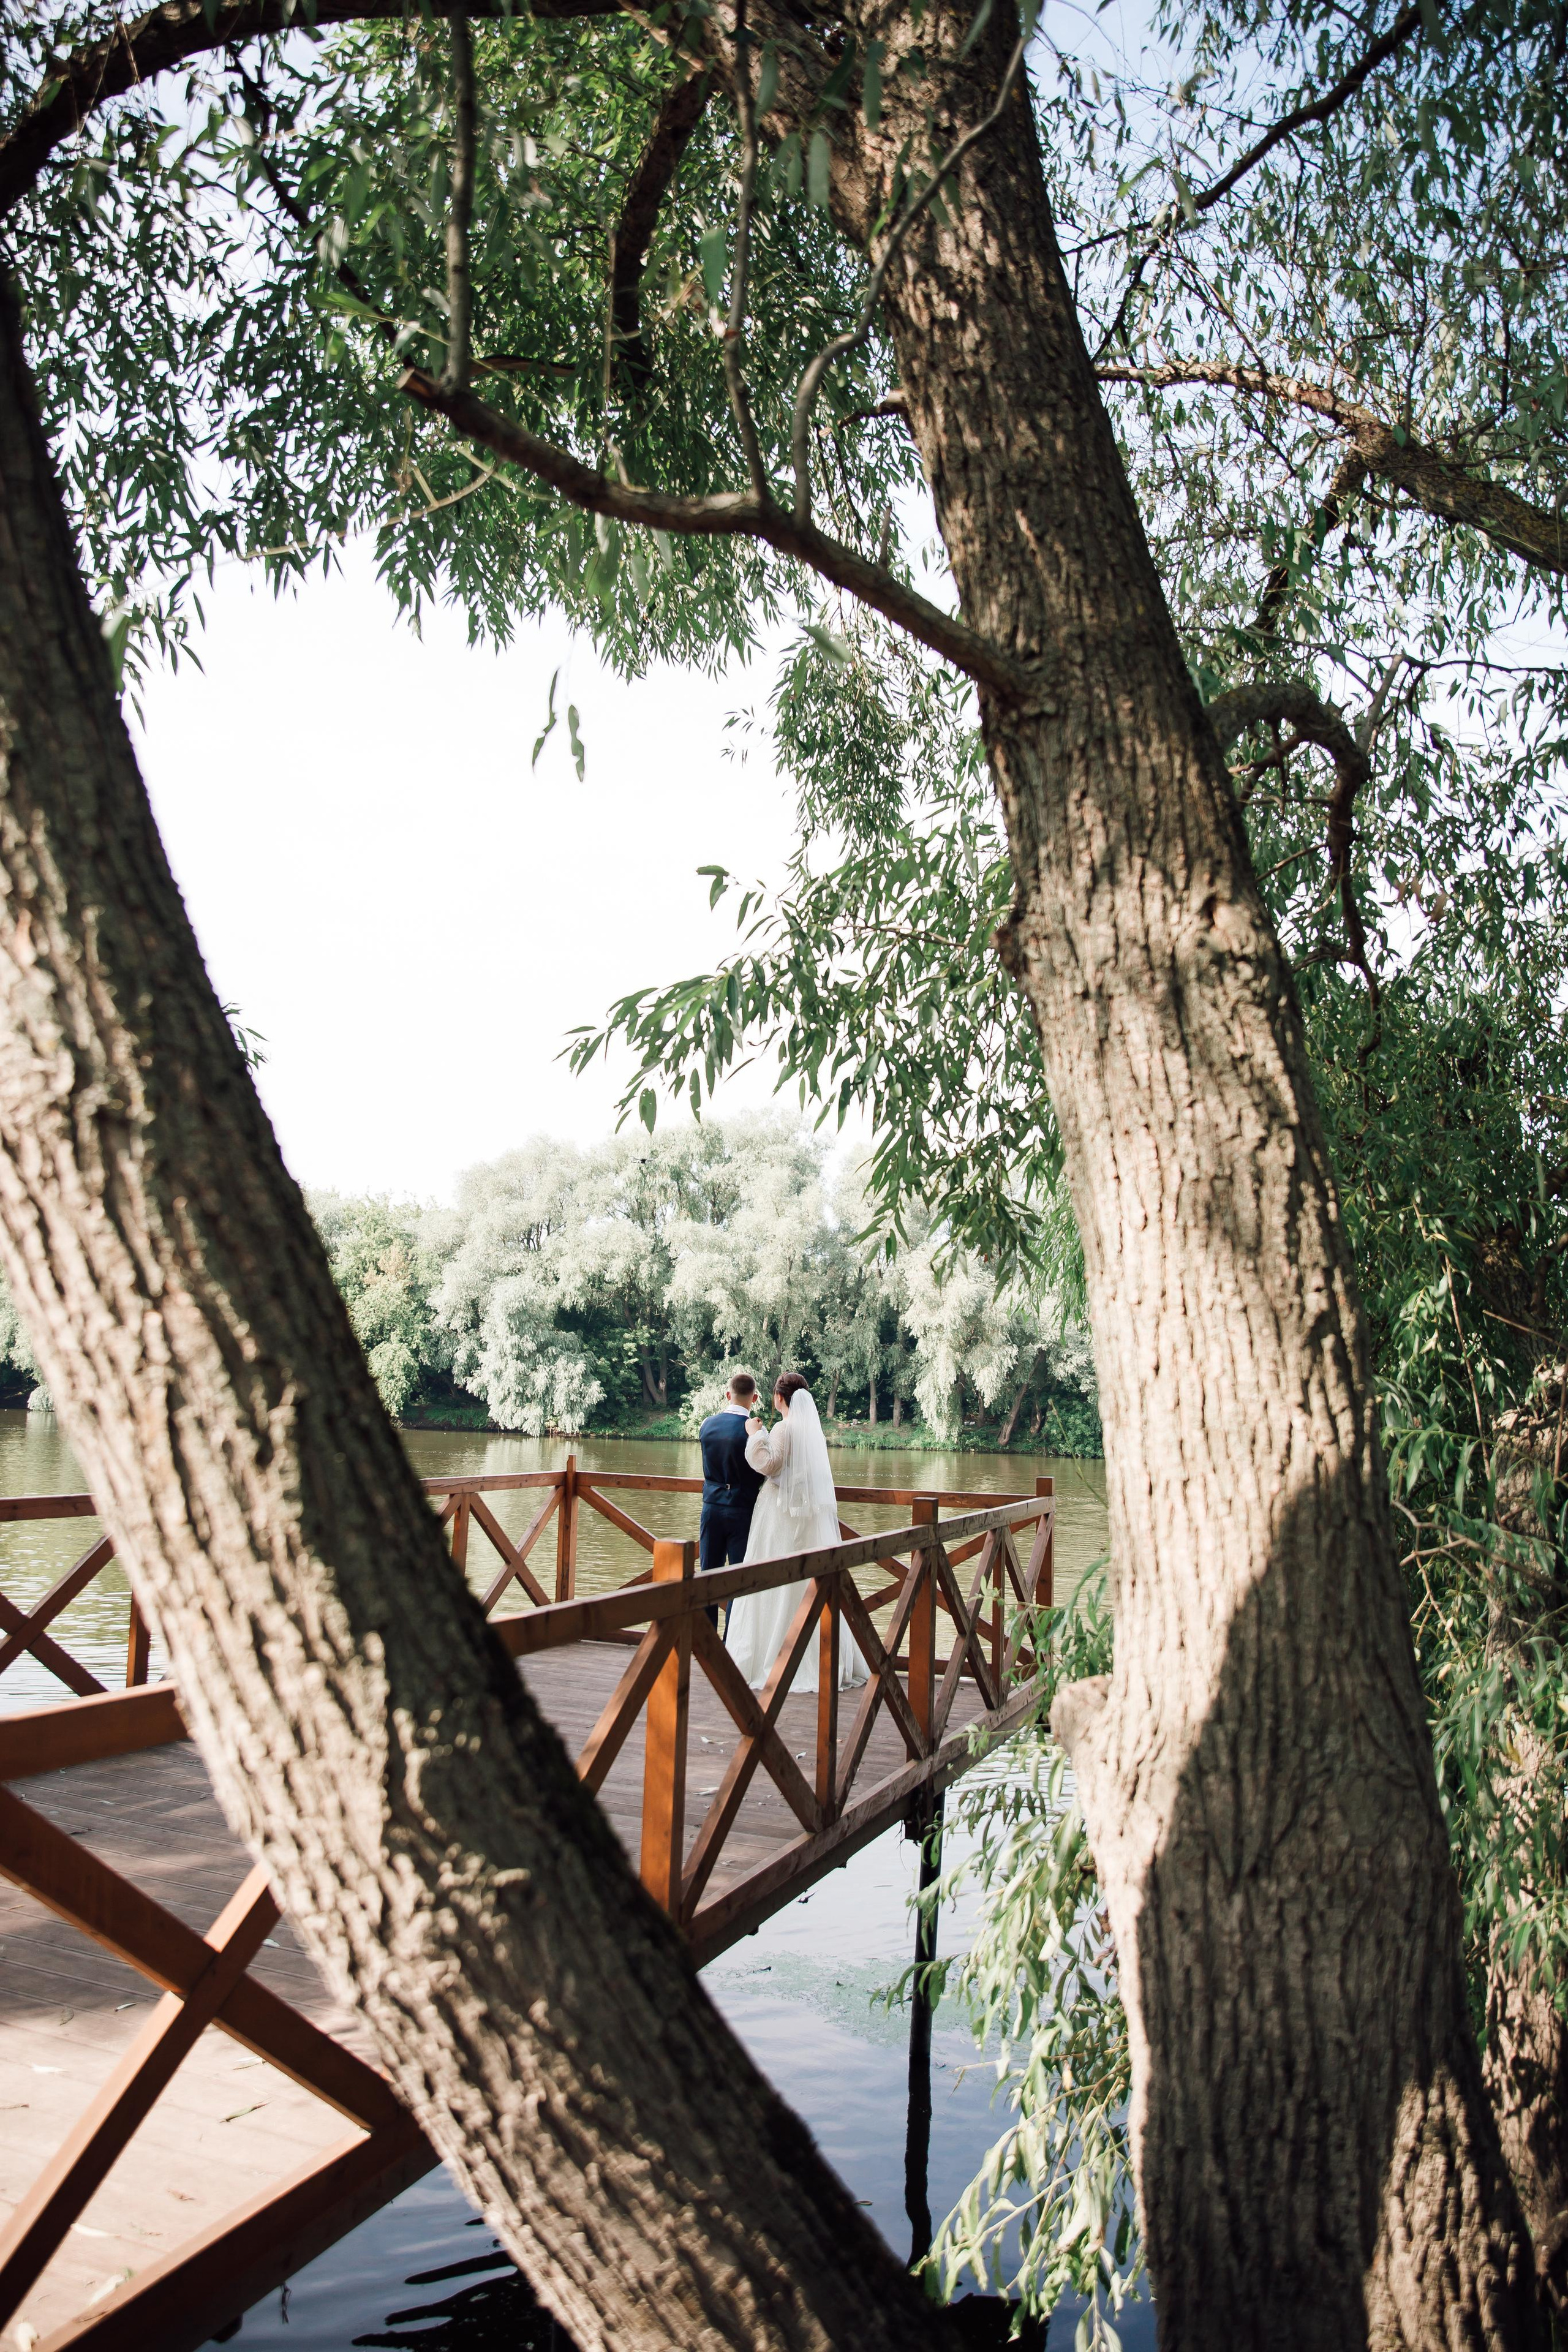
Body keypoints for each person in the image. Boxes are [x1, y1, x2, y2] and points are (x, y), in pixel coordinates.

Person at [726, 1373, 868, 1694]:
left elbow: (769, 1464)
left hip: (779, 1516)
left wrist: (754, 1434)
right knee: (806, 1582)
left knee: (771, 1576)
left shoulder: (782, 1427)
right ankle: (818, 1654)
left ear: (779, 1398)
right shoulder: (811, 1432)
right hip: (806, 1516)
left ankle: (771, 1655)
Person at [696, 1370, 765, 1625]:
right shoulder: (756, 1431)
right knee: (740, 1578)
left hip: (712, 1507)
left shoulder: (707, 1424)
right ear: (754, 1398)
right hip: (743, 1510)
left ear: (728, 1394)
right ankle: (732, 1643)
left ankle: (704, 1642)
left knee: (708, 1575)